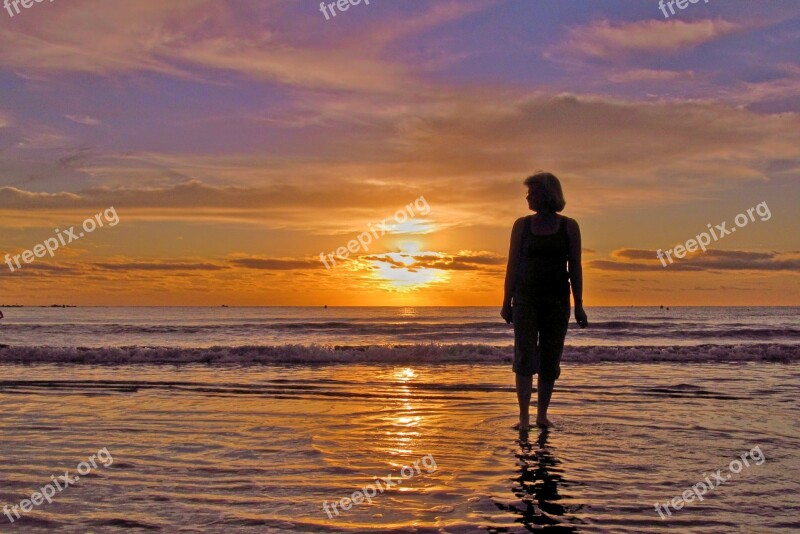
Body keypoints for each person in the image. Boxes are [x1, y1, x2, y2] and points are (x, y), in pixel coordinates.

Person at [501, 172, 588, 430]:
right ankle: (524, 418)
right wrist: (507, 301)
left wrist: (580, 303)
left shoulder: (568, 226)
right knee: (525, 357)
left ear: (547, 194)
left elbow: (576, 267)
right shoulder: (522, 225)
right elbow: (512, 265)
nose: (527, 196)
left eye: (532, 191)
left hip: (557, 302)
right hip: (525, 300)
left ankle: (541, 415)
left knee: (551, 359)